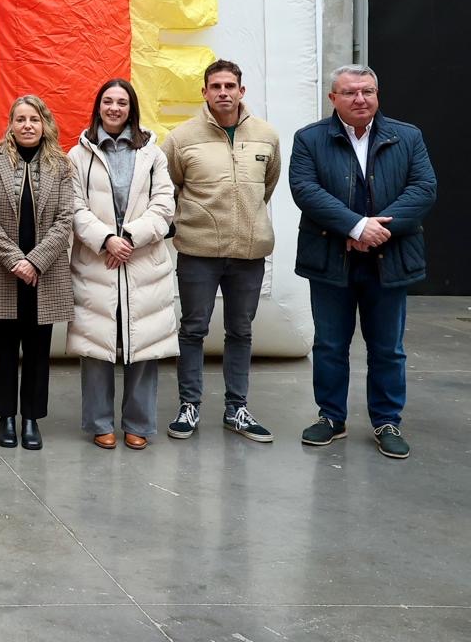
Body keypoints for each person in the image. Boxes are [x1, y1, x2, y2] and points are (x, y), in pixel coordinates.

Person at [291, 64, 436, 460]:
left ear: (377, 94)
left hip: (389, 259)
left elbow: (424, 188)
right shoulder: (309, 139)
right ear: (332, 98)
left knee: (388, 348)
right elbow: (305, 189)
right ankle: (331, 417)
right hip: (330, 258)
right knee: (330, 345)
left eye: (367, 91)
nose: (360, 99)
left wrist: (377, 230)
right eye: (350, 92)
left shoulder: (407, 136)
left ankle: (387, 421)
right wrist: (355, 227)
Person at [161, 60, 281, 444]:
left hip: (249, 252)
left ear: (242, 91)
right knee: (193, 329)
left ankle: (236, 409)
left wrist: (245, 221)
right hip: (198, 252)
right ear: (204, 92)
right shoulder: (181, 139)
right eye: (216, 86)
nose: (223, 92)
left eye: (230, 86)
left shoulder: (266, 136)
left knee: (241, 331)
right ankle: (189, 406)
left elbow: (266, 187)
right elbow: (166, 188)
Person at [67, 78, 177, 450]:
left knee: (143, 344)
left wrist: (129, 237)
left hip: (142, 261)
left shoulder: (152, 153)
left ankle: (138, 423)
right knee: (96, 343)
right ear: (98, 106)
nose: (114, 108)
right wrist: (106, 240)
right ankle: (99, 422)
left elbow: (164, 205)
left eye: (122, 102)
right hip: (97, 262)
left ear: (131, 109)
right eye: (108, 101)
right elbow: (74, 208)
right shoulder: (78, 155)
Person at [0, 95, 75, 450]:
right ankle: (5, 417)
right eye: (21, 119)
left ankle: (31, 418)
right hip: (3, 270)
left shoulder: (61, 165)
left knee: (37, 348)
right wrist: (16, 260)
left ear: (44, 124)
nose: (27, 125)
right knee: (3, 348)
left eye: (34, 119)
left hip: (44, 272)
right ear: (11, 125)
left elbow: (65, 219)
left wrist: (35, 262)